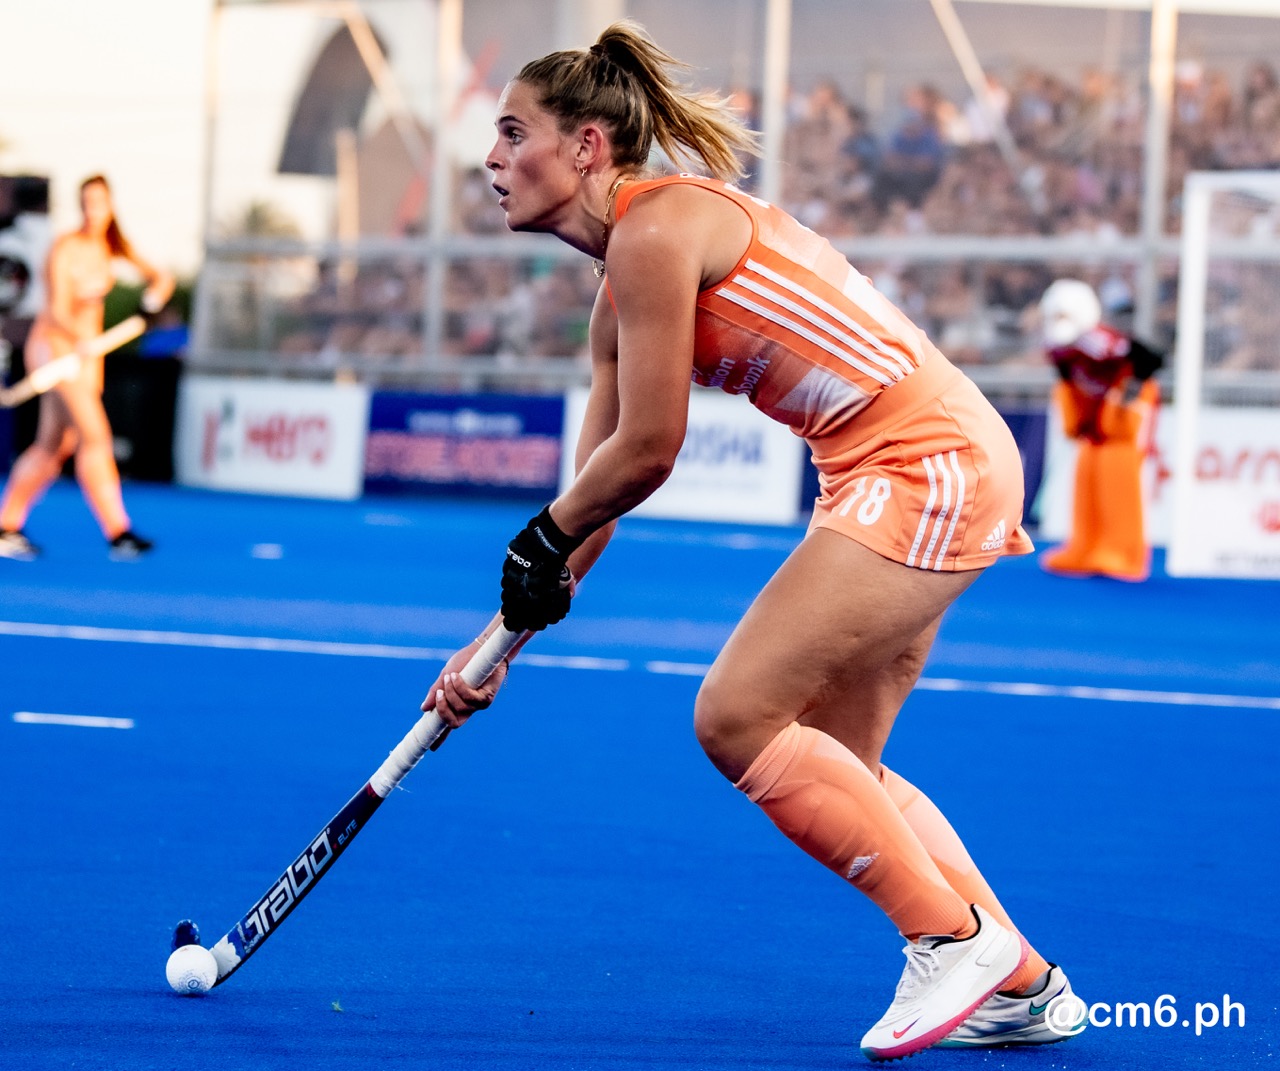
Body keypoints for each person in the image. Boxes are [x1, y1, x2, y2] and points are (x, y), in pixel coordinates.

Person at [424, 22, 1083, 1062]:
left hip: (919, 463)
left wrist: (533, 542)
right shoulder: (620, 287)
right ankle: (1018, 981)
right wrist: (492, 645)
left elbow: (648, 451)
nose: (491, 158)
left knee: (733, 715)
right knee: (843, 761)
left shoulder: (655, 228)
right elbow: (598, 492)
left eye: (513, 133)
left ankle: (945, 938)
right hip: (905, 464)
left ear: (588, 146)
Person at [0, 175, 171, 561]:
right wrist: (77, 342)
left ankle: (6, 526)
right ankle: (118, 533)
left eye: (99, 203)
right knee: (95, 437)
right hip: (56, 351)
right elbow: (58, 309)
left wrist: (152, 302)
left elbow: (162, 278)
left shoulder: (109, 248)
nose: (92, 211)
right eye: (86, 203)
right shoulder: (66, 248)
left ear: (110, 206)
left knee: (53, 446)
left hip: (86, 358)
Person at [1038, 278, 1163, 582]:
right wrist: (1077, 416)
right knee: (1088, 475)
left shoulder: (1101, 341)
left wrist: (1127, 397)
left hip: (1121, 422)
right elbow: (1069, 381)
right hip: (1094, 422)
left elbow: (1150, 359)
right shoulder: (1059, 349)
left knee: (1115, 476)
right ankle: (1085, 545)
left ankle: (1122, 551)